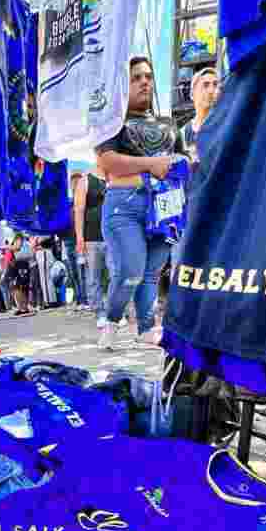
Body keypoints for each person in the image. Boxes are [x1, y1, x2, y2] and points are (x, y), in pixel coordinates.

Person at [95, 56, 188, 351]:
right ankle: (110, 321)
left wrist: (178, 163)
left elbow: (182, 160)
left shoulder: (168, 123)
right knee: (131, 269)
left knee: (150, 273)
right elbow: (107, 163)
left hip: (166, 206)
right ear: (124, 85)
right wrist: (153, 164)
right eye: (136, 77)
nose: (144, 81)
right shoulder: (111, 120)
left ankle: (147, 328)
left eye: (147, 76)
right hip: (126, 205)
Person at [73, 161, 110, 326]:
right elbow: (79, 209)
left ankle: (114, 311)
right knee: (93, 277)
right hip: (92, 236)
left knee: (115, 274)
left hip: (113, 235)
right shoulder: (86, 180)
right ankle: (100, 313)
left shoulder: (115, 177)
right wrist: (79, 237)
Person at [59, 173, 88, 310]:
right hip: (68, 241)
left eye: (77, 183)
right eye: (73, 184)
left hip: (80, 240)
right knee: (73, 273)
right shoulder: (67, 203)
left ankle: (85, 299)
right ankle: (79, 298)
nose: (75, 186)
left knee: (82, 270)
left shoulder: (85, 200)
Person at [182, 67, 221, 163]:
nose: (211, 90)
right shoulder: (183, 134)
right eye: (205, 85)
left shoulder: (226, 126)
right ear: (192, 94)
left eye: (215, 85)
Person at [9, 233, 33, 315]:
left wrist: (9, 247)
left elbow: (17, 248)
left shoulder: (20, 239)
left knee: (19, 287)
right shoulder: (25, 241)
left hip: (20, 265)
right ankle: (23, 307)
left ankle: (22, 307)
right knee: (20, 287)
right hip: (20, 265)